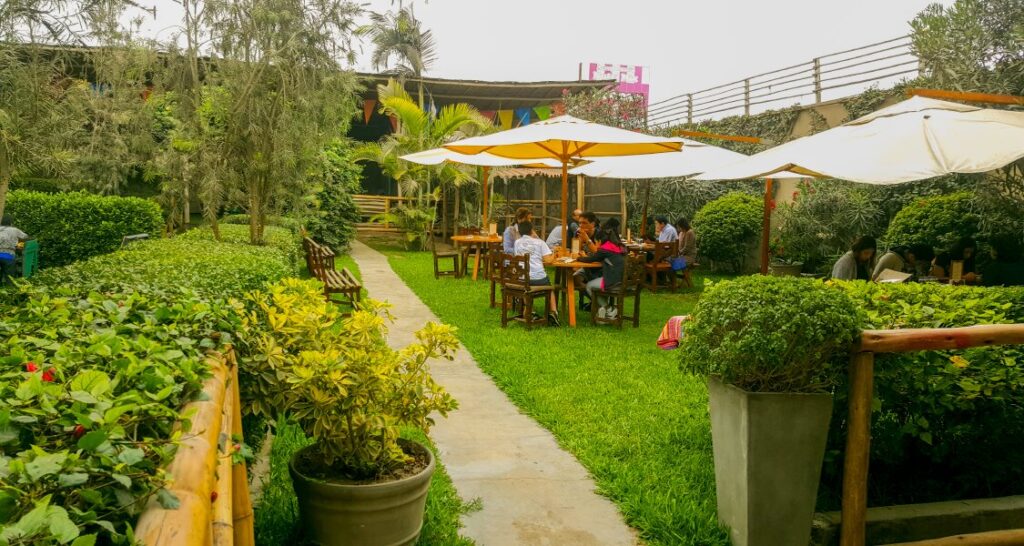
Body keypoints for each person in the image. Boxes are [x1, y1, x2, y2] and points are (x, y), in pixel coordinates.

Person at [577, 217, 627, 321]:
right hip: (623, 280)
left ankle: (608, 309)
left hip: (613, 281)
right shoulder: (618, 246)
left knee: (589, 286)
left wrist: (579, 258)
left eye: (596, 242)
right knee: (594, 283)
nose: (596, 245)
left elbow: (590, 259)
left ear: (599, 241)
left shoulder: (604, 249)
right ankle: (605, 309)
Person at [512, 220, 559, 325]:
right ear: (532, 230)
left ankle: (530, 310)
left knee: (526, 286)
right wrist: (555, 252)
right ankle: (553, 313)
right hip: (538, 279)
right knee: (550, 289)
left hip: (522, 279)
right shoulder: (540, 242)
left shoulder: (517, 242)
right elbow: (548, 261)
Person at [0, 215, 28, 286]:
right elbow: (25, 237)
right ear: (11, 223)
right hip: (8, 256)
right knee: (10, 277)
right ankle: (9, 289)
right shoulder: (14, 230)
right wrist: (18, 243)